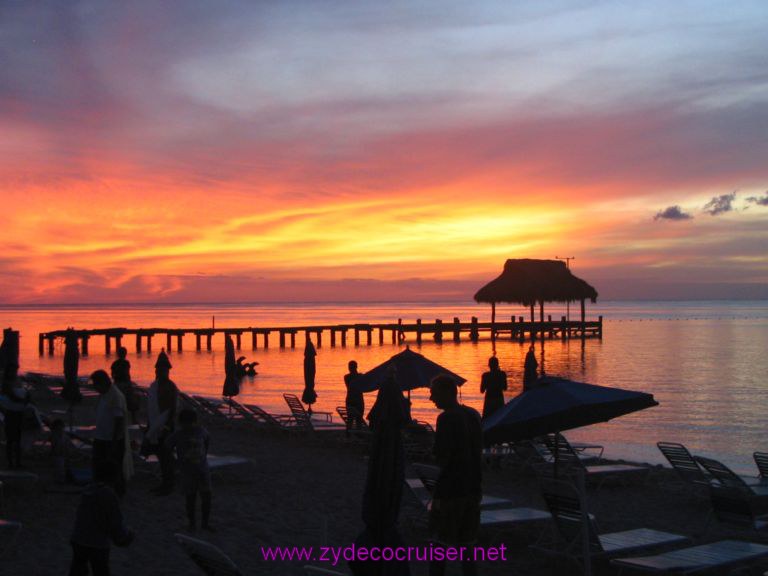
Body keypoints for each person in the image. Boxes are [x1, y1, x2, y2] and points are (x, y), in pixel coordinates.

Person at [428, 375, 482, 576]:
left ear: (446, 392)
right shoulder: (473, 415)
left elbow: (442, 458)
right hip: (473, 488)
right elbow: (477, 451)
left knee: (440, 543)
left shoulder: (446, 418)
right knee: (467, 546)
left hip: (451, 490)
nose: (431, 398)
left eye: (433, 393)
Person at [69, 459, 134, 576]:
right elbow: (115, 521)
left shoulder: (87, 490)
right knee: (101, 571)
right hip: (97, 543)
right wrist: (126, 536)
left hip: (78, 538)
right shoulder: (108, 495)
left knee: (77, 569)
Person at [166, 409, 213, 532]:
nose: (189, 426)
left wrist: (204, 456)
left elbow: (207, 441)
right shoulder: (178, 434)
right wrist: (174, 461)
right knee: (190, 498)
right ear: (182, 423)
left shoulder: (201, 431)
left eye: (191, 423)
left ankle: (205, 523)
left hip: (203, 470)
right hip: (187, 472)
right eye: (186, 423)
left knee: (206, 497)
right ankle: (192, 523)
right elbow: (167, 447)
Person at [91, 370, 132, 496]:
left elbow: (119, 420)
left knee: (114, 468)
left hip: (111, 440)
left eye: (96, 385)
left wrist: (114, 441)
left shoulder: (115, 396)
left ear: (103, 383)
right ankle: (102, 491)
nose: (95, 388)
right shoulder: (104, 394)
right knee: (99, 466)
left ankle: (117, 493)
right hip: (101, 437)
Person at [147, 350, 179, 495]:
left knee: (166, 455)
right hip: (155, 424)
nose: (159, 372)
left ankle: (168, 483)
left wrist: (167, 425)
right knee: (161, 454)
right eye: (158, 369)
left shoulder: (170, 387)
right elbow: (151, 406)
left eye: (161, 370)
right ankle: (166, 481)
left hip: (166, 426)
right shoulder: (155, 386)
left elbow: (173, 408)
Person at [0, 360, 29, 469]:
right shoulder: (6, 383)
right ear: (9, 371)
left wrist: (27, 398)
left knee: (18, 439)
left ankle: (17, 462)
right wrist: (23, 400)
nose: (15, 372)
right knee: (11, 439)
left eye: (16, 370)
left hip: (18, 411)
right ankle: (11, 463)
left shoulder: (17, 381)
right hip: (10, 412)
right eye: (13, 371)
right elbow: (12, 396)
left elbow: (22, 392)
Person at [110, 347, 139, 424]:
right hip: (125, 383)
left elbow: (112, 375)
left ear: (118, 354)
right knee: (130, 401)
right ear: (125, 354)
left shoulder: (115, 363)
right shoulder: (126, 363)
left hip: (118, 383)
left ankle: (120, 419)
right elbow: (127, 373)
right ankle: (133, 419)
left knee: (119, 403)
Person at [344, 360, 365, 434]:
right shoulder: (360, 376)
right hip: (358, 400)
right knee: (358, 419)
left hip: (350, 399)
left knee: (350, 419)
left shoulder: (346, 377)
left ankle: (348, 435)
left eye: (349, 367)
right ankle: (358, 434)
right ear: (356, 367)